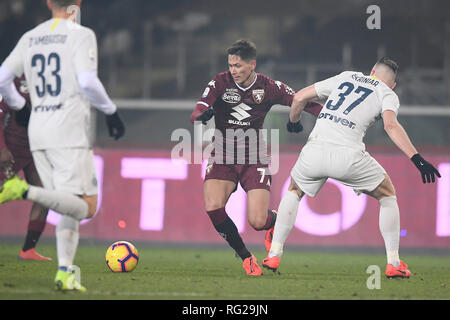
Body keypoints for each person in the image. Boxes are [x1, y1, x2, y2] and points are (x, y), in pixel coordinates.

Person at [262, 57, 441, 279]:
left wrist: (294, 121)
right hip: (348, 156)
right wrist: (417, 158)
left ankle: (274, 253)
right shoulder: (388, 93)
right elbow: (390, 125)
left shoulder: (346, 77)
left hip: (315, 149)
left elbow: (299, 97)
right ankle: (394, 263)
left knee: (294, 191)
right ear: (392, 84)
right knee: (387, 195)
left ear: (372, 70)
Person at [0, 0, 125, 291]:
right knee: (86, 206)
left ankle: (65, 272)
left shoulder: (31, 37)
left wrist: (19, 105)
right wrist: (111, 111)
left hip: (37, 132)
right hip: (68, 133)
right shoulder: (80, 35)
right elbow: (87, 81)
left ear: (48, 3)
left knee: (67, 203)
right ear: (77, 3)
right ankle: (23, 190)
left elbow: (3, 76)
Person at [190, 39, 322, 276]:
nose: (233, 70)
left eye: (238, 65)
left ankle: (275, 223)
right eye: (230, 65)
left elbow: (302, 100)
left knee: (258, 222)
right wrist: (203, 113)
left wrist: (328, 116)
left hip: (254, 157)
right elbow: (199, 107)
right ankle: (246, 257)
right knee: (213, 206)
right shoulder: (220, 82)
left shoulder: (269, 87)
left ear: (252, 65)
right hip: (223, 155)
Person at [0, 76, 51, 261]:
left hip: (35, 149)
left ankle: (28, 250)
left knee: (45, 195)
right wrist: (2, 148)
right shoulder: (13, 79)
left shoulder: (51, 79)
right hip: (12, 149)